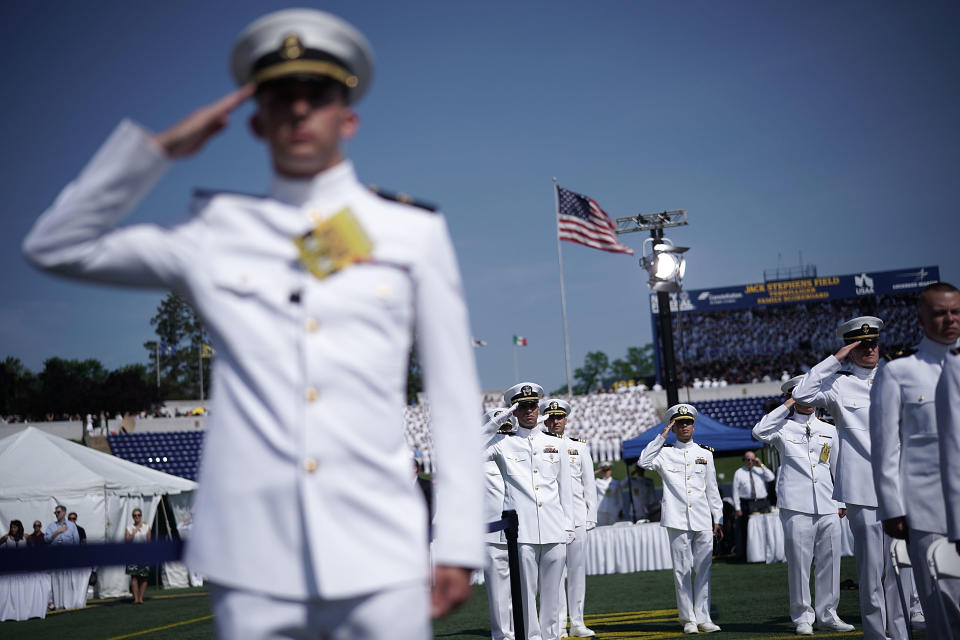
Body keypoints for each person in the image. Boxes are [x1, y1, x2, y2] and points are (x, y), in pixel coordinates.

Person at [23, 9, 484, 638]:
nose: (298, 110)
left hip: (380, 549)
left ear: (346, 116)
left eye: (315, 96)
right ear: (256, 119)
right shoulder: (217, 232)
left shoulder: (410, 232)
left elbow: (455, 398)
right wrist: (157, 152)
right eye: (279, 96)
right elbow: (56, 245)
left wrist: (457, 539)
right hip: (254, 558)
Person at [793, 316, 910, 640]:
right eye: (862, 344)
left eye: (874, 342)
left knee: (902, 569)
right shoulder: (839, 384)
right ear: (851, 346)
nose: (870, 349)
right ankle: (875, 634)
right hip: (864, 490)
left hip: (901, 486)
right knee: (872, 571)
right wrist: (835, 359)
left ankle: (901, 635)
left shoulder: (896, 376)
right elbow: (802, 392)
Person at [871, 282, 960, 637]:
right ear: (922, 319)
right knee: (943, 611)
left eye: (955, 312)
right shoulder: (899, 372)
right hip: (929, 510)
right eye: (940, 313)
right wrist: (893, 508)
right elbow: (886, 446)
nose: (949, 320)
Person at [753, 376, 854, 635]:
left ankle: (828, 614)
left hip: (827, 502)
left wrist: (841, 499)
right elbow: (758, 431)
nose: (809, 400)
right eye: (802, 395)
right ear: (793, 396)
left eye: (813, 394)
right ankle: (802, 617)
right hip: (795, 505)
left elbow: (837, 467)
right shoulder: (781, 428)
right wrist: (788, 404)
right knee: (799, 563)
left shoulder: (829, 429)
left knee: (830, 561)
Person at [485, 382, 574, 640]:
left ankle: (552, 637)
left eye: (532, 406)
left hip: (554, 528)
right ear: (515, 411)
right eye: (522, 407)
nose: (528, 411)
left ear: (539, 408)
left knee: (553, 595)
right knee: (525, 595)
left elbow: (564, 489)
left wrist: (567, 526)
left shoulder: (556, 444)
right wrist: (498, 419)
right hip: (522, 534)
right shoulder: (502, 444)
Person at [638, 404, 723, 635]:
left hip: (703, 518)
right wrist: (661, 436)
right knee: (681, 570)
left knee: (704, 569)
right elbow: (643, 462)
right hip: (677, 519)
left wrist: (719, 518)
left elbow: (712, 489)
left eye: (688, 422)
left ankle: (704, 617)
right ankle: (688, 619)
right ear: (674, 427)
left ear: (694, 426)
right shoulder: (664, 453)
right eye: (680, 423)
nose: (685, 426)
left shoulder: (705, 454)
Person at [541, 398, 597, 638]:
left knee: (576, 572)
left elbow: (589, 484)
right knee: (553, 575)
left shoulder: (579, 447)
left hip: (576, 517)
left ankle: (577, 622)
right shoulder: (539, 445)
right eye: (551, 417)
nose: (555, 421)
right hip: (551, 518)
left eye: (559, 417)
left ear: (566, 419)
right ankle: (558, 624)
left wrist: (590, 516)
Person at [481, 407, 517, 640]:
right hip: (493, 532)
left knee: (522, 589)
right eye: (499, 427)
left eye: (507, 426)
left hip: (520, 530)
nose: (504, 433)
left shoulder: (515, 449)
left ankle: (522, 631)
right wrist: (493, 424)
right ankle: (503, 636)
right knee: (498, 592)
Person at [731, 450, 774, 562]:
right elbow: (735, 492)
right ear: (744, 460)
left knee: (765, 528)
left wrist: (761, 464)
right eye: (747, 459)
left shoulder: (760, 470)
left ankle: (765, 554)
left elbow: (771, 477)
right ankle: (747, 556)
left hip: (762, 502)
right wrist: (737, 508)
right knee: (747, 531)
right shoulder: (739, 473)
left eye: (752, 459)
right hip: (747, 503)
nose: (750, 462)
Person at [44, 504, 88, 610]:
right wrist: (57, 532)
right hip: (55, 555)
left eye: (58, 512)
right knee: (56, 580)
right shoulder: (51, 526)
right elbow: (46, 540)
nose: (56, 514)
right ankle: (58, 603)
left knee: (68, 580)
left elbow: (76, 541)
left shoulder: (72, 526)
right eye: (55, 512)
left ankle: (67, 603)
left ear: (64, 512)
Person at [125, 508, 151, 604]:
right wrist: (134, 531)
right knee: (134, 577)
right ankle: (136, 598)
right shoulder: (129, 528)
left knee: (144, 577)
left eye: (139, 515)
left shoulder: (146, 527)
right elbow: (127, 541)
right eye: (135, 515)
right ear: (132, 517)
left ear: (141, 516)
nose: (137, 517)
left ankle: (141, 598)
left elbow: (149, 541)